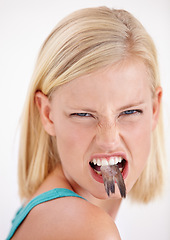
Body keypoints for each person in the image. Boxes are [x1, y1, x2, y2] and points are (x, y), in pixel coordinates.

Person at [7, 6, 165, 240]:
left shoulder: (50, 210)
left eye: (130, 111)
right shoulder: (89, 229)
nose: (109, 140)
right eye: (84, 115)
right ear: (47, 114)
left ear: (154, 110)